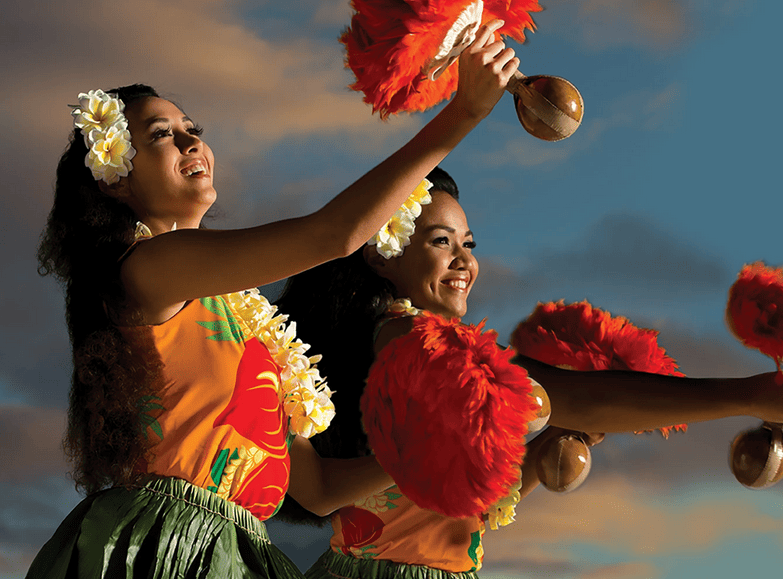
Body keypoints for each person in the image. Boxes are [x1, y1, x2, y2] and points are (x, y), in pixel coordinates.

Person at [27, 20, 519, 578]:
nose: (192, 141)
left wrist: (432, 458)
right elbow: (331, 235)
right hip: (163, 547)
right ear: (115, 175)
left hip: (236, 549)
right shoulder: (146, 269)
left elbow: (321, 491)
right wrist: (464, 115)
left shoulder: (241, 315)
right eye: (162, 134)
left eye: (193, 128)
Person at [275, 167, 783, 578]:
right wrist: (749, 394)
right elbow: (576, 396)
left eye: (468, 244)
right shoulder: (412, 339)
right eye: (441, 241)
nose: (464, 260)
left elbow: (462, 513)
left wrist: (544, 453)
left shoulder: (399, 344)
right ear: (381, 254)